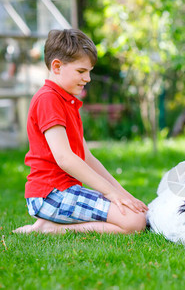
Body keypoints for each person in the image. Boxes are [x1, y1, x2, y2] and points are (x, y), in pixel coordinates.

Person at [13, 29, 148, 234]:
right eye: (81, 71)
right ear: (56, 66)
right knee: (135, 223)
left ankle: (51, 225)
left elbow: (86, 157)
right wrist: (110, 193)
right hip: (51, 194)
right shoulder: (48, 99)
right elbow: (65, 158)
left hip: (64, 192)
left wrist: (122, 194)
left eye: (89, 71)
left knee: (136, 215)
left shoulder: (68, 101)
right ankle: (51, 229)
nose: (88, 78)